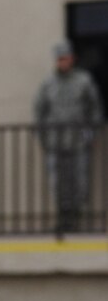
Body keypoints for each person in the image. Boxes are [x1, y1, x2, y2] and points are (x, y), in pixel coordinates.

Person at [34, 40, 103, 234]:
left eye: (65, 58)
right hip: (55, 143)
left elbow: (94, 109)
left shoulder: (84, 80)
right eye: (59, 59)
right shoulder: (48, 84)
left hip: (79, 142)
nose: (62, 62)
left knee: (79, 183)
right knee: (58, 184)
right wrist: (44, 138)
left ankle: (75, 218)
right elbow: (39, 110)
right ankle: (63, 220)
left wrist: (90, 135)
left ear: (72, 59)